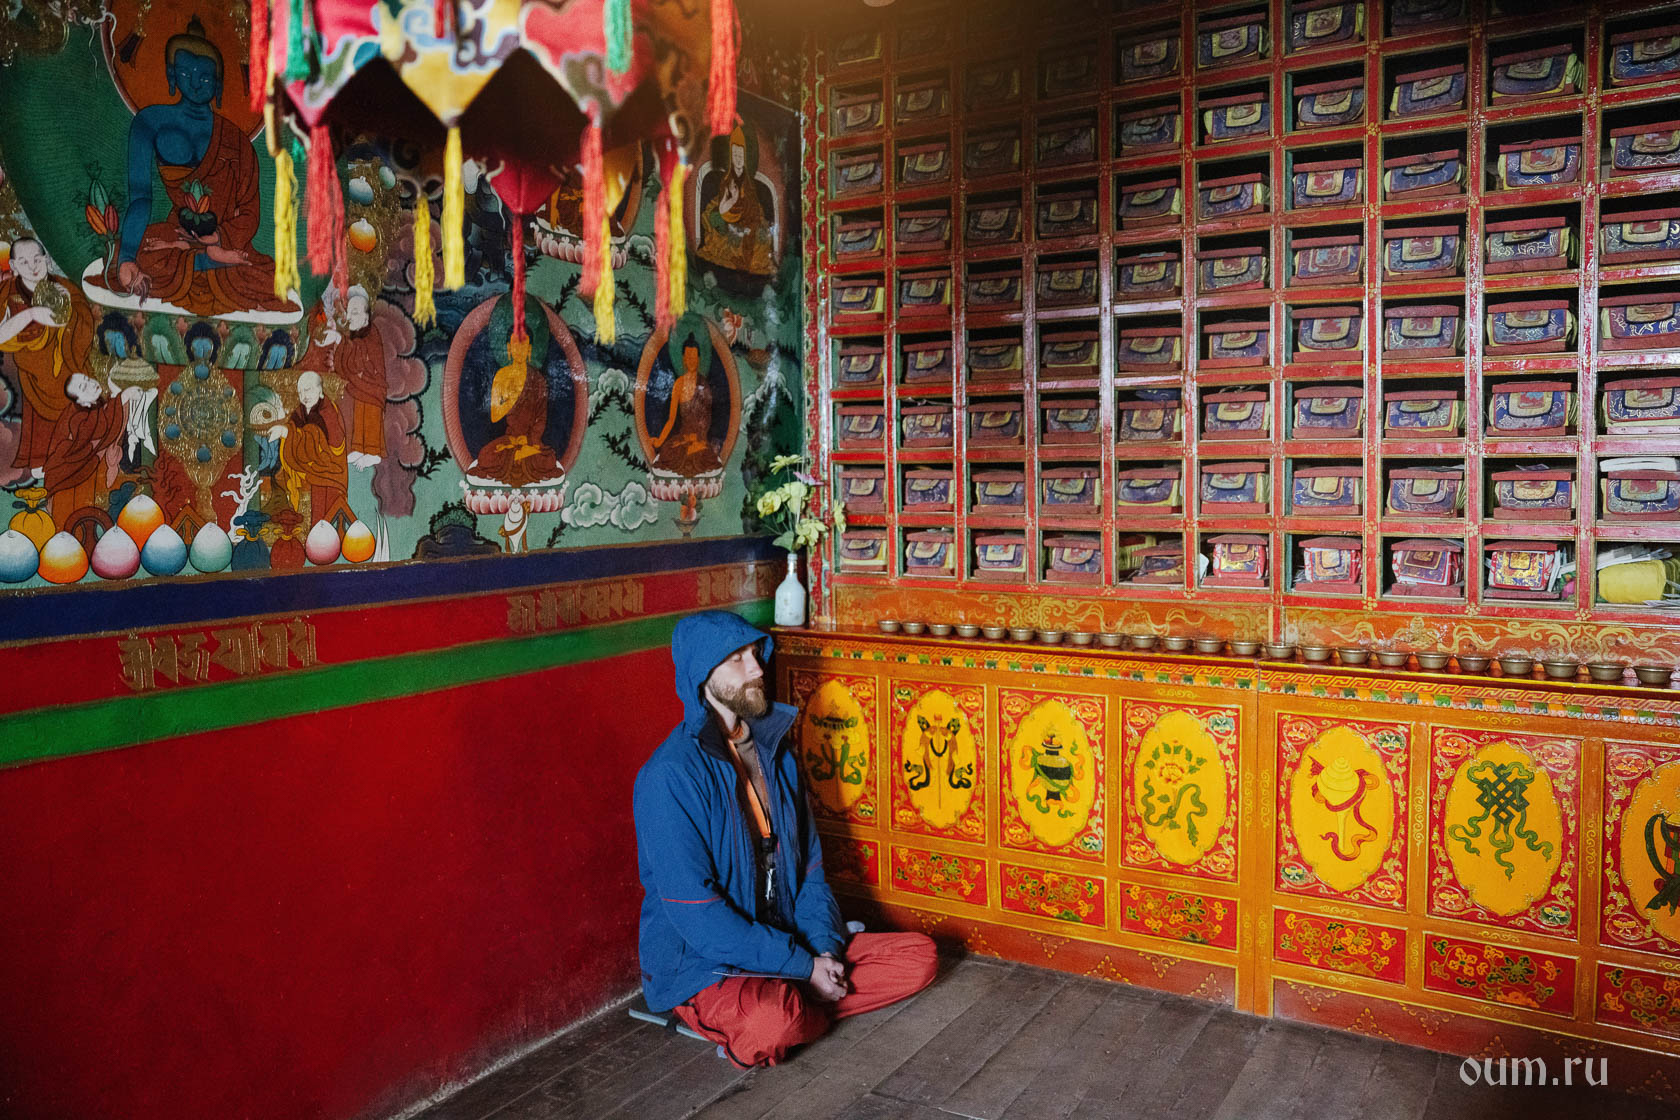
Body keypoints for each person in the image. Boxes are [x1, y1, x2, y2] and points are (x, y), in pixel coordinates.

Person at [634, 611, 937, 1069]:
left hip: (789, 939)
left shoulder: (776, 753)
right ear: (702, 674)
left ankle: (802, 997)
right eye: (736, 659)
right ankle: (792, 1003)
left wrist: (823, 950)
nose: (757, 668)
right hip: (709, 965)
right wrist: (803, 967)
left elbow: (811, 871)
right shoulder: (670, 777)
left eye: (755, 654)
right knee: (771, 1023)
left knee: (919, 958)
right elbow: (700, 917)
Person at [106, 19, 289, 317]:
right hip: (177, 233)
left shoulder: (237, 141)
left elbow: (250, 212)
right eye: (185, 72)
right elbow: (141, 196)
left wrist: (218, 237)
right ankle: (208, 260)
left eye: (205, 76)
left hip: (222, 238)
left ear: (218, 84)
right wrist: (127, 256)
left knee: (270, 278)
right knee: (127, 257)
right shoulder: (149, 122)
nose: (194, 82)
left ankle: (209, 256)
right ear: (171, 74)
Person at [0, 238, 95, 475]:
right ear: (14, 266)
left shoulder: (64, 287)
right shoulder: (8, 292)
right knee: (41, 422)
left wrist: (68, 310)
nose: (33, 266)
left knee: (77, 410)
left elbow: (85, 322)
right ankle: (42, 460)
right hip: (35, 370)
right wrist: (31, 314)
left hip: (68, 363)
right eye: (24, 262)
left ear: (47, 260)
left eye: (37, 259)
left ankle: (77, 454)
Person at [267, 370, 348, 524]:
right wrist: (287, 430)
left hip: (330, 471)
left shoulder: (328, 413)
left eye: (308, 390)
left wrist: (286, 432)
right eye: (300, 392)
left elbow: (327, 445)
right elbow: (294, 427)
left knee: (328, 513)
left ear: (320, 390)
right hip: (313, 469)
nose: (304, 396)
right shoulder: (301, 411)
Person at [648, 337, 723, 476]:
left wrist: (698, 439)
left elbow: (706, 419)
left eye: (694, 356)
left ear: (699, 358)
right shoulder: (678, 384)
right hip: (683, 438)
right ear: (683, 358)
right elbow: (671, 420)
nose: (691, 360)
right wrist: (659, 441)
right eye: (688, 357)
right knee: (668, 452)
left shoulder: (703, 385)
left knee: (705, 455)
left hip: (700, 440)